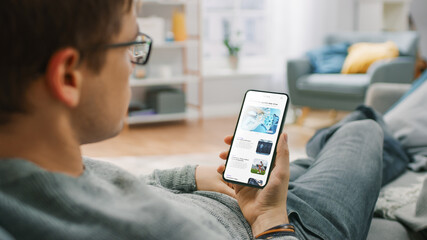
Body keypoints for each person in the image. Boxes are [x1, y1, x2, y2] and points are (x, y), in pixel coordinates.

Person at [0, 1, 386, 239]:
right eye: (131, 45)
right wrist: (270, 217)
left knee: (294, 165)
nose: (134, 65)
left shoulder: (35, 170)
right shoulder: (145, 231)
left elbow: (123, 185)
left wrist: (195, 175)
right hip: (282, 224)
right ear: (69, 77)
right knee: (364, 127)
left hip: (229, 198)